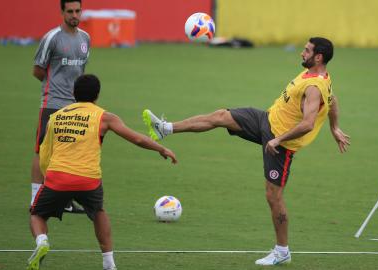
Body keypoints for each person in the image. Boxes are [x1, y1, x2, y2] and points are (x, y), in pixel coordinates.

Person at [142, 37, 350, 266]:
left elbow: (309, 123)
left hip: (281, 144)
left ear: (318, 57)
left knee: (273, 197)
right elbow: (333, 100)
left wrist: (278, 140)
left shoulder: (314, 86)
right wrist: (335, 127)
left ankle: (282, 251)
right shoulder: (317, 76)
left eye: (307, 50)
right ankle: (165, 129)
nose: (302, 53)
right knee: (221, 116)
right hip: (266, 120)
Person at [27, 74, 177, 270]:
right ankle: (109, 263)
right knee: (98, 213)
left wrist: (51, 178)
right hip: (88, 180)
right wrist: (161, 149)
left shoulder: (56, 117)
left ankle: (42, 241)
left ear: (73, 94)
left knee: (37, 214)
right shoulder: (104, 117)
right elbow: (137, 139)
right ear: (97, 95)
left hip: (57, 177)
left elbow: (45, 154)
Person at [31, 0, 90, 213]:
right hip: (52, 104)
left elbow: (80, 71)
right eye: (70, 11)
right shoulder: (52, 38)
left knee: (68, 153)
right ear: (62, 12)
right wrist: (54, 87)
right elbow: (38, 70)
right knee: (41, 152)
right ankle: (35, 199)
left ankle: (65, 201)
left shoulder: (85, 39)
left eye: (78, 11)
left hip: (75, 106)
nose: (75, 15)